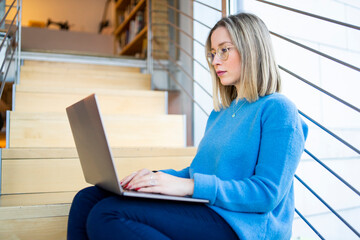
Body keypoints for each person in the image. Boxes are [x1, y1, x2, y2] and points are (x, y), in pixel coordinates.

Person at [67, 13, 308, 240]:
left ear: (252, 50)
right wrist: (154, 178)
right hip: (210, 208)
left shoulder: (279, 110)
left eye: (224, 50)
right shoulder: (220, 113)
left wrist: (188, 186)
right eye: (213, 53)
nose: (215, 61)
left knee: (108, 214)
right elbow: (198, 171)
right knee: (87, 199)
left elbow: (266, 194)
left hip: (244, 226)